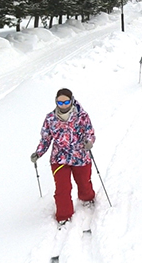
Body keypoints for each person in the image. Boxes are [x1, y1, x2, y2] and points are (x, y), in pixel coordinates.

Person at [30, 88, 96, 225]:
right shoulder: (50, 118)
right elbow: (45, 139)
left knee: (84, 182)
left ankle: (87, 198)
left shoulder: (81, 116)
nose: (63, 105)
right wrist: (38, 153)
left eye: (66, 102)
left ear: (71, 101)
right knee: (62, 188)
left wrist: (89, 142)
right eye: (60, 103)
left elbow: (90, 132)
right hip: (59, 158)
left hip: (80, 156)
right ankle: (64, 216)